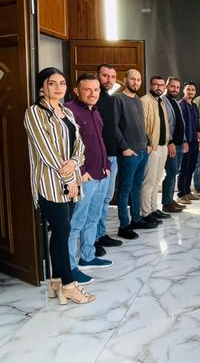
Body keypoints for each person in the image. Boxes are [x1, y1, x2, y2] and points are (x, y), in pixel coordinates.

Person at [24, 67, 95, 304]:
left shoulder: (67, 112)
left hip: (71, 180)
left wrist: (74, 163)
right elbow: (46, 152)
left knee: (61, 232)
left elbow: (80, 145)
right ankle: (69, 285)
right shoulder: (34, 112)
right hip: (50, 183)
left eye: (62, 83)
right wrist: (69, 179)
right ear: (41, 87)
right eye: (52, 83)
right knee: (62, 230)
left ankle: (55, 282)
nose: (58, 87)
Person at [65, 74, 113, 285]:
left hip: (101, 174)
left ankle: (87, 256)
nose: (93, 94)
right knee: (76, 222)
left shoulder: (95, 111)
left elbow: (99, 141)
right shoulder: (69, 111)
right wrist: (81, 170)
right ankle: (70, 267)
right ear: (77, 91)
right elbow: (67, 146)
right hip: (85, 177)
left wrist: (107, 165)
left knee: (93, 218)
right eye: (87, 89)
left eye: (96, 89)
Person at [114, 69, 155, 239]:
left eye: (138, 80)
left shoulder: (138, 99)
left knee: (137, 187)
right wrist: (124, 147)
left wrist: (148, 142)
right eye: (132, 79)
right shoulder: (117, 99)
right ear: (125, 80)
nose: (136, 82)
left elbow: (141, 125)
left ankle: (136, 218)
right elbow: (114, 126)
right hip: (128, 153)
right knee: (125, 189)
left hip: (142, 150)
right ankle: (124, 226)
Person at [94, 64, 123, 256]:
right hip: (98, 158)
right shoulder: (92, 100)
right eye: (105, 75)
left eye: (112, 77)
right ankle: (92, 240)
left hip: (112, 155)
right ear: (97, 76)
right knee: (95, 201)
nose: (109, 80)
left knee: (105, 198)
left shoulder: (111, 100)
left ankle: (101, 234)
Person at [140, 76, 171, 223]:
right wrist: (147, 143)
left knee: (157, 180)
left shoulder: (161, 102)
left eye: (161, 85)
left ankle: (153, 208)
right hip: (152, 147)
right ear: (150, 85)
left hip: (163, 145)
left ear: (164, 87)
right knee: (149, 181)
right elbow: (143, 125)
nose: (159, 87)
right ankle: (146, 212)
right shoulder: (145, 101)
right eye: (156, 85)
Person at [161, 77, 187, 213]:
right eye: (172, 86)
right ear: (166, 87)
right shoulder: (162, 101)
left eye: (177, 87)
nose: (175, 89)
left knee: (175, 172)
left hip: (179, 144)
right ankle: (166, 203)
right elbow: (164, 125)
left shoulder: (175, 102)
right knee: (171, 173)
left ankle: (170, 200)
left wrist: (184, 141)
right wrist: (170, 142)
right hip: (170, 144)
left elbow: (181, 123)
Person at [178, 82, 200, 203]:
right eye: (188, 89)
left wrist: (199, 140)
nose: (190, 92)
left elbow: (197, 125)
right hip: (185, 142)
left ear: (195, 92)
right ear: (184, 91)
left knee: (191, 167)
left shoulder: (194, 106)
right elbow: (180, 125)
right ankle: (181, 194)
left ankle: (187, 191)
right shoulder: (180, 105)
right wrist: (184, 141)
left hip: (194, 142)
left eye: (193, 90)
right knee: (184, 168)